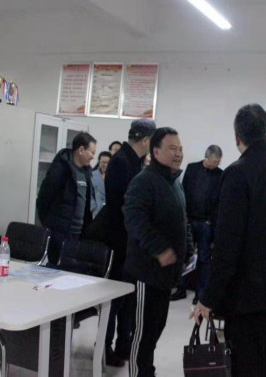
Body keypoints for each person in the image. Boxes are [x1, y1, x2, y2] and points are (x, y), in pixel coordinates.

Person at [192, 104, 266, 377]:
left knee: (247, 367)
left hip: (250, 297)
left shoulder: (237, 174)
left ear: (237, 138)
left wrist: (208, 298)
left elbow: (227, 245)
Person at [124, 127, 194, 377]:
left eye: (180, 149)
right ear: (155, 151)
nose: (178, 153)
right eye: (172, 148)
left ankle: (147, 371)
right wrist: (160, 249)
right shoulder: (144, 181)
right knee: (143, 333)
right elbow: (134, 221)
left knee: (155, 329)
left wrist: (188, 248)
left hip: (166, 275)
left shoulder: (174, 182)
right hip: (146, 273)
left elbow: (183, 220)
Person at [101, 119, 156, 367]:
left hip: (129, 243)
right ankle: (105, 347)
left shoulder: (133, 161)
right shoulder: (121, 162)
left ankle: (124, 343)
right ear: (145, 140)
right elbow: (126, 206)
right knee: (114, 299)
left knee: (128, 298)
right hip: (119, 241)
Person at [171, 145, 223, 303]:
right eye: (214, 161)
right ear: (206, 157)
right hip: (189, 221)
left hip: (206, 223)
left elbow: (219, 202)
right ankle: (181, 288)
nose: (217, 164)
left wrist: (211, 222)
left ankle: (200, 294)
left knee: (203, 259)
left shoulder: (220, 175)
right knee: (185, 255)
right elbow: (184, 192)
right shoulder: (192, 168)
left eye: (218, 162)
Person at [36, 132, 96, 266]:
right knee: (55, 268)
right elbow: (44, 198)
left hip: (78, 233)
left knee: (70, 269)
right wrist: (49, 223)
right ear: (81, 150)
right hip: (59, 232)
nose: (93, 156)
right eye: (92, 152)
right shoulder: (61, 168)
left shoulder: (87, 172)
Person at [91, 151, 112, 217]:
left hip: (111, 211)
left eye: (107, 162)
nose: (105, 165)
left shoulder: (115, 176)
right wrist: (93, 208)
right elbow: (89, 194)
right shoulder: (92, 175)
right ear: (99, 162)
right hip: (97, 211)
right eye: (103, 162)